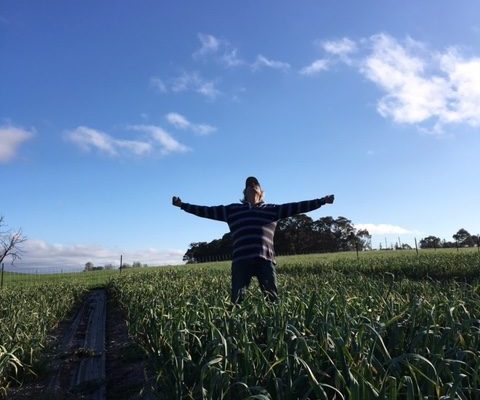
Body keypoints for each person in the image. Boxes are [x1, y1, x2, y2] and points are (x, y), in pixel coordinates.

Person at [172, 177, 334, 303]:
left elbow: (299, 206)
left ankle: (274, 331)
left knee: (272, 299)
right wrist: (183, 205)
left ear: (260, 191)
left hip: (266, 260)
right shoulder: (232, 210)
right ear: (244, 192)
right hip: (241, 261)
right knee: (237, 300)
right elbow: (205, 211)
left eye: (255, 184)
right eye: (249, 184)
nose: (251, 185)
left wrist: (322, 201)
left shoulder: (273, 210)